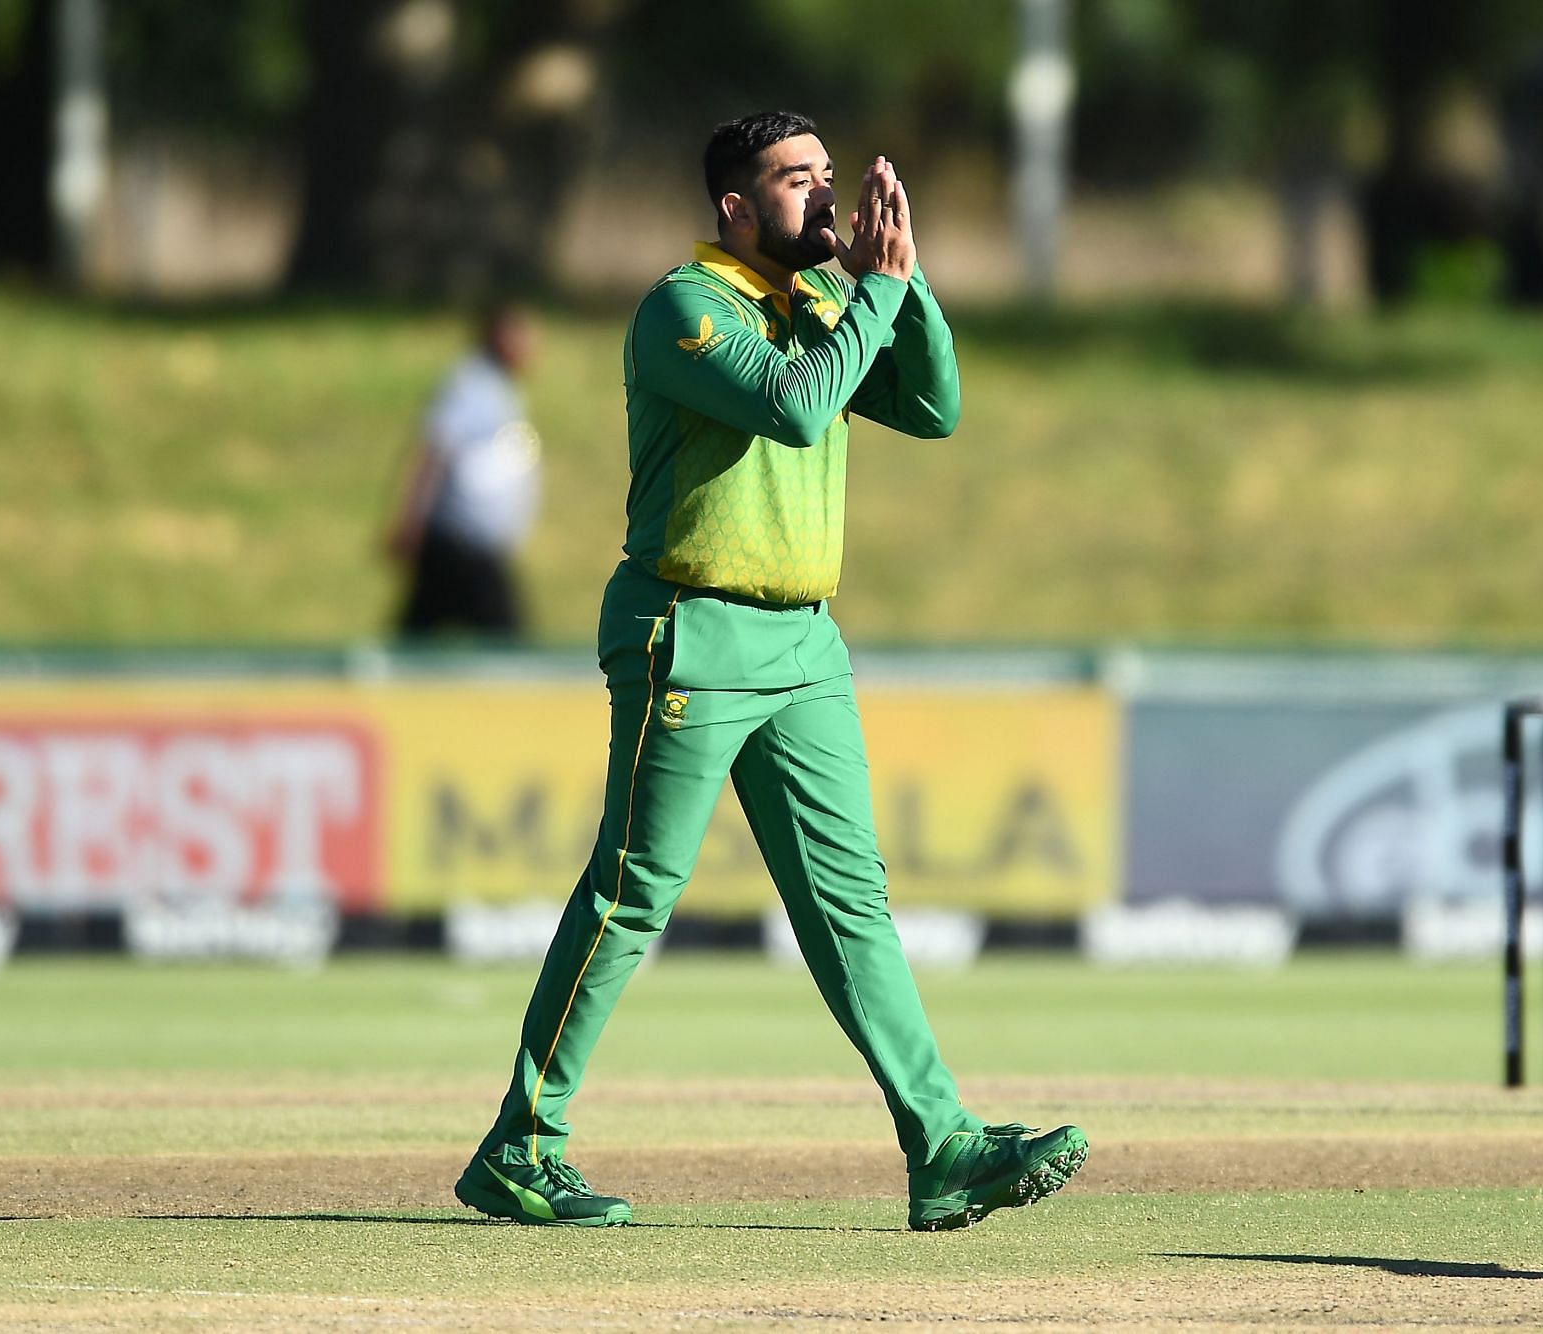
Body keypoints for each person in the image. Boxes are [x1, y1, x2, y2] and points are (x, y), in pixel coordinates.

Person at [453, 111, 1087, 1232]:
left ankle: (939, 1146)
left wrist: (905, 277)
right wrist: (874, 297)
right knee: (634, 889)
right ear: (735, 208)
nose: (823, 196)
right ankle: (521, 1142)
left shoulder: (826, 304)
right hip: (689, 629)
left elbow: (933, 408)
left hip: (803, 647)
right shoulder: (684, 308)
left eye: (829, 177)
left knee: (854, 907)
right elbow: (796, 409)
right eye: (797, 181)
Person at [385, 303, 542, 638]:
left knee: (418, 633)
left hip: (474, 545)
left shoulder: (501, 389)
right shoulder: (471, 384)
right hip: (459, 541)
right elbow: (433, 450)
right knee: (509, 645)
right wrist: (409, 520)